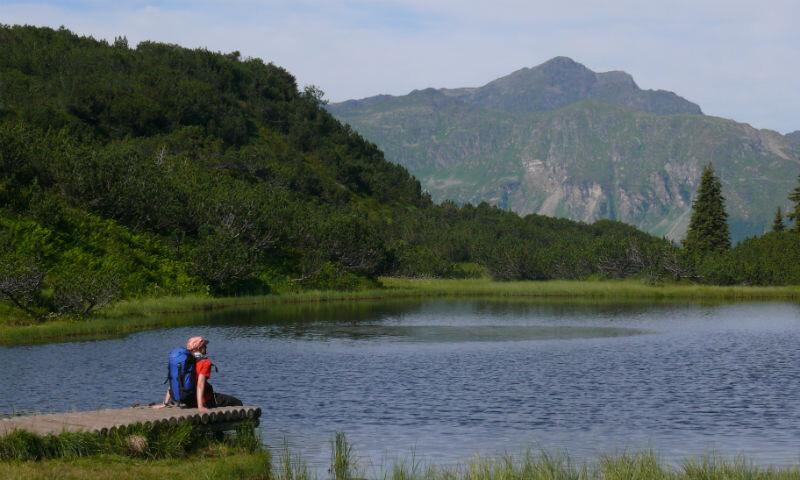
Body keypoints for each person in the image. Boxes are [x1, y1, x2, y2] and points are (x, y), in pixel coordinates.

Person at [156, 336, 242, 410]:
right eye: (204, 346)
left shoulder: (184, 363)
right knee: (238, 403)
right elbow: (200, 384)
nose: (206, 348)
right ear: (199, 348)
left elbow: (174, 380)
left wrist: (165, 403)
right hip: (205, 400)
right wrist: (200, 406)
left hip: (188, 400)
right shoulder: (205, 362)